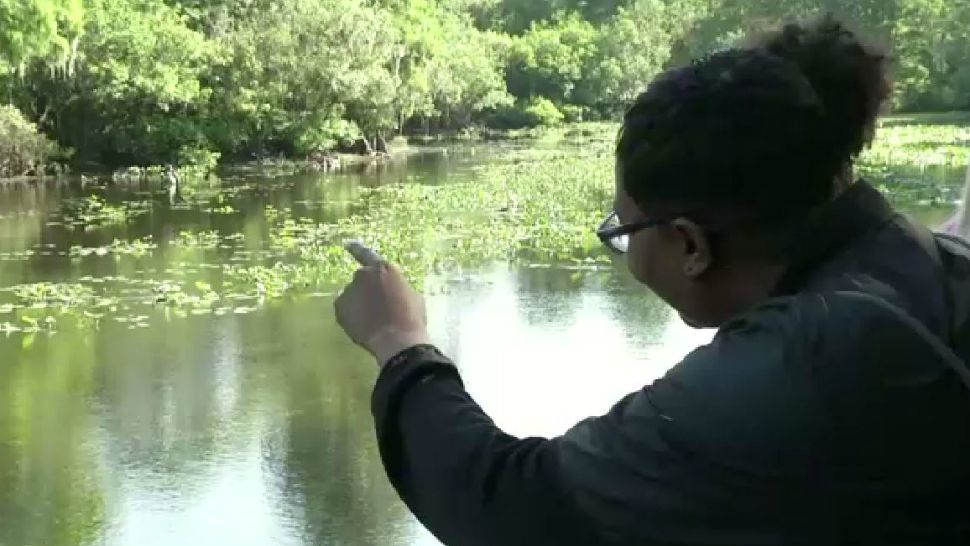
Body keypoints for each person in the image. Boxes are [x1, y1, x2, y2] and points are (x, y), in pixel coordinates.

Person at [335, 17, 970, 546]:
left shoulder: (804, 361)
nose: (627, 250)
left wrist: (401, 344)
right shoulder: (916, 259)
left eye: (626, 230)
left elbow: (517, 507)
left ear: (690, 244)